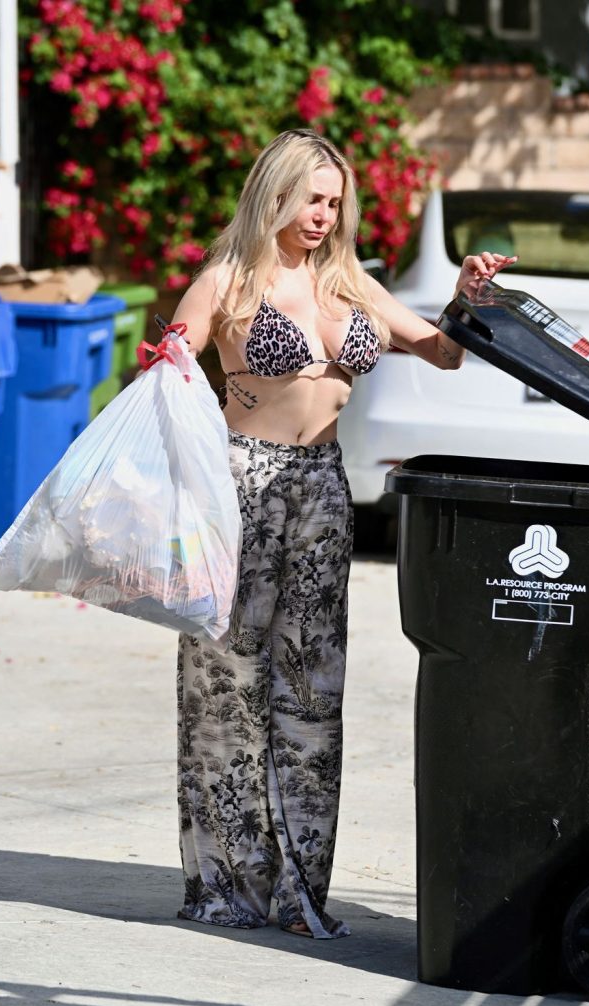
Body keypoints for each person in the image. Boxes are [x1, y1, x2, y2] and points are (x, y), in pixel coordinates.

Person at [169, 128, 516, 939]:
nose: (323, 214)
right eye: (309, 198)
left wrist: (466, 296)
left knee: (311, 691)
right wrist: (169, 363)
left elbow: (442, 353)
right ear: (274, 195)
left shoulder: (351, 285)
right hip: (241, 486)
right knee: (226, 688)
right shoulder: (226, 280)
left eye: (333, 201)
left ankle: (300, 891)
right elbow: (173, 364)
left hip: (323, 493)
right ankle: (229, 884)